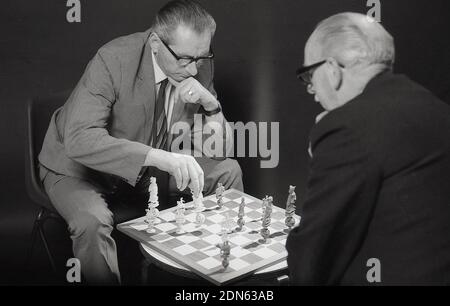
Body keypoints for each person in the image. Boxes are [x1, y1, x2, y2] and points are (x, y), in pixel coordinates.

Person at [38, 0, 243, 284]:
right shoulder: (113, 59)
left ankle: (223, 274)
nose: (194, 70)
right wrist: (161, 157)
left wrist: (211, 106)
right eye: (184, 59)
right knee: (91, 221)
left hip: (141, 171)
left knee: (227, 171)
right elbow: (79, 139)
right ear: (156, 43)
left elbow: (221, 150)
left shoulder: (197, 63)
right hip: (76, 168)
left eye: (202, 57)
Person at [287, 12, 450, 285]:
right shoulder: (435, 107)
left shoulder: (346, 129)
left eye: (308, 75)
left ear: (331, 69)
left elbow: (310, 264)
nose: (310, 89)